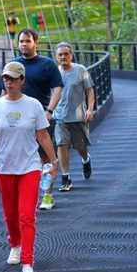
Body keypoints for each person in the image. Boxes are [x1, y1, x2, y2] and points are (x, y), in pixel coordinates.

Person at [0, 61, 58, 272]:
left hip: (30, 166)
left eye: (13, 78)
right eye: (6, 78)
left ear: (22, 80)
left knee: (26, 216)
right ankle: (15, 244)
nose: (8, 82)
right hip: (4, 167)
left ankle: (27, 262)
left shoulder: (33, 105)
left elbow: (43, 136)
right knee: (11, 215)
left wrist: (54, 161)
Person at [13, 28, 63, 210]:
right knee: (21, 157)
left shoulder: (47, 64)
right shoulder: (13, 65)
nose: (24, 44)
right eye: (21, 41)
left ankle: (47, 196)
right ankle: (26, 195)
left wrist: (49, 110)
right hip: (18, 119)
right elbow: (6, 90)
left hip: (41, 115)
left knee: (46, 157)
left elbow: (57, 88)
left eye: (27, 41)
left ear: (36, 43)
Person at [52, 42, 94, 191]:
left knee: (80, 147)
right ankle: (66, 177)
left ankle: (85, 159)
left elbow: (89, 91)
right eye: (60, 54)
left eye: (66, 54)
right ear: (57, 57)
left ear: (71, 55)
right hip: (60, 117)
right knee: (61, 144)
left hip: (78, 116)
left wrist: (90, 109)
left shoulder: (80, 70)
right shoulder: (54, 73)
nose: (63, 57)